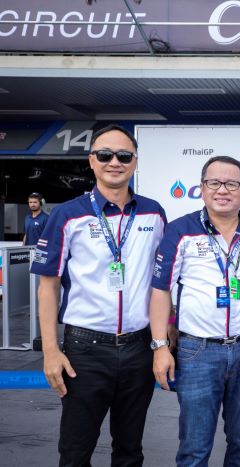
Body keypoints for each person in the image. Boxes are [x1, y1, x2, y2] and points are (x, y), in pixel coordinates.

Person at [31, 124, 166, 466]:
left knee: (130, 451)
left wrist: (164, 338)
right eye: (105, 155)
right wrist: (50, 350)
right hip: (85, 351)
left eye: (124, 156)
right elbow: (47, 286)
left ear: (135, 162)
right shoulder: (67, 214)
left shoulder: (154, 213)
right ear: (91, 161)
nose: (114, 162)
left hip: (138, 348)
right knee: (75, 452)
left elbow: (161, 283)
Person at [150, 155, 240, 466]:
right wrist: (160, 347)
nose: (223, 190)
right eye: (214, 183)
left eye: (232, 184)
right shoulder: (181, 230)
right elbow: (160, 290)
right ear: (202, 188)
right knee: (194, 447)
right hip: (198, 351)